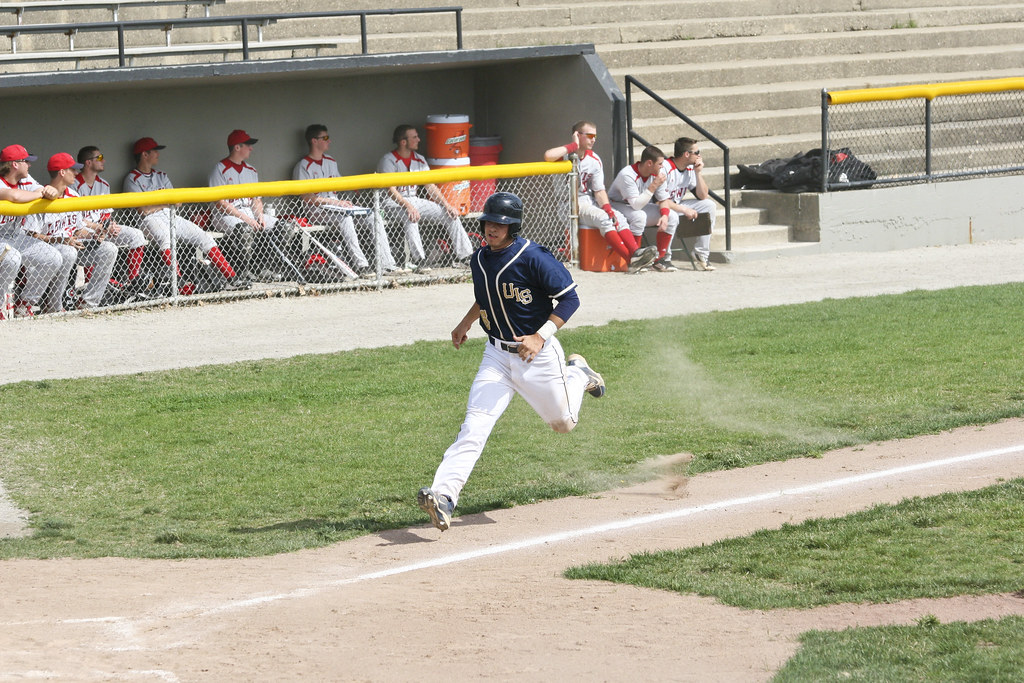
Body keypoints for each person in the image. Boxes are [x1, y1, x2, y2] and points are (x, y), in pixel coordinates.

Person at [417, 191, 605, 532]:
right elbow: (486, 297)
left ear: (513, 227)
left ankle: (578, 374)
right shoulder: (479, 259)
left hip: (537, 356)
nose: (492, 228)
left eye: (500, 224)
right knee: (474, 427)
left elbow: (569, 299)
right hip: (496, 358)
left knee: (563, 424)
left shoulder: (534, 257)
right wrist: (465, 323)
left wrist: (540, 336)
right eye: (489, 222)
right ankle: (444, 497)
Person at [123, 137, 249, 291]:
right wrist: (164, 203)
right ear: (144, 154)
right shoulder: (132, 178)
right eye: (155, 151)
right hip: (148, 220)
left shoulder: (161, 176)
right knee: (165, 238)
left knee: (203, 236)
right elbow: (143, 210)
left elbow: (177, 202)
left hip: (170, 215)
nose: (158, 154)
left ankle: (231, 277)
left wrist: (159, 204)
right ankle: (179, 282)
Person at [543, 120, 657, 274]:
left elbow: (599, 190)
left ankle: (635, 254)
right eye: (589, 135)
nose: (593, 139)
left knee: (617, 217)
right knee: (603, 218)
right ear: (577, 135)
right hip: (567, 204)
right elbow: (548, 155)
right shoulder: (564, 155)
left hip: (588, 201)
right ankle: (631, 260)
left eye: (595, 136)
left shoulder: (594, 159)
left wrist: (608, 209)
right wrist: (573, 145)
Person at [293, 124, 405, 277]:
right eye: (325, 138)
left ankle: (387, 264)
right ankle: (361, 265)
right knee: (345, 218)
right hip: (317, 210)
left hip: (337, 207)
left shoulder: (331, 161)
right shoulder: (303, 166)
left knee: (373, 216)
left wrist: (351, 197)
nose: (329, 141)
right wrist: (336, 203)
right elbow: (306, 197)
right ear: (314, 141)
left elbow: (342, 185)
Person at [377, 124, 473, 272]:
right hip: (390, 204)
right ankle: (420, 260)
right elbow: (391, 191)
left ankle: (466, 256)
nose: (418, 140)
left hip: (413, 199)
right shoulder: (388, 160)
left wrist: (447, 205)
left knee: (450, 214)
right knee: (411, 215)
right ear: (403, 142)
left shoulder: (419, 159)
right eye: (414, 137)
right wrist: (407, 206)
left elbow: (431, 187)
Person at [35, 153, 118, 311]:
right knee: (68, 252)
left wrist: (94, 235)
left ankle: (88, 303)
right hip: (51, 248)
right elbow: (32, 235)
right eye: (72, 169)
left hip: (73, 245)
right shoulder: (40, 198)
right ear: (62, 172)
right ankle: (54, 306)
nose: (76, 172)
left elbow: (78, 229)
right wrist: (61, 240)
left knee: (109, 249)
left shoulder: (73, 195)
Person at [75, 145, 151, 290]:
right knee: (94, 241)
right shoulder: (73, 185)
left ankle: (133, 282)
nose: (103, 160)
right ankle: (96, 284)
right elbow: (76, 221)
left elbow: (106, 214)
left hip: (102, 229)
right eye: (99, 158)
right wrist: (100, 228)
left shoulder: (104, 184)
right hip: (83, 231)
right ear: (88, 162)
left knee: (136, 235)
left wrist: (110, 225)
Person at [0, 144, 63, 318]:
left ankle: (25, 303)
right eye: (26, 161)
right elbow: (14, 196)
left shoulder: (25, 179)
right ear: (15, 164)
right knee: (12, 258)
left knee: (52, 257)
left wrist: (50, 191)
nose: (29, 164)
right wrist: (41, 194)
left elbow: (45, 191)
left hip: (16, 236)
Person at [208, 129, 278, 281]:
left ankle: (262, 267)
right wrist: (247, 219)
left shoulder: (251, 170)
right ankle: (243, 271)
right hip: (225, 215)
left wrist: (259, 215)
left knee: (283, 227)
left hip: (249, 213)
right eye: (248, 145)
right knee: (245, 229)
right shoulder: (220, 169)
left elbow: (256, 199)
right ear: (237, 147)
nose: (251, 148)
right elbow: (220, 203)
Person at [607, 146, 679, 273]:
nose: (662, 166)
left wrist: (664, 216)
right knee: (639, 216)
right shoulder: (627, 174)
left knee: (672, 216)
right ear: (649, 163)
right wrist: (654, 185)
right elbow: (636, 205)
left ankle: (659, 260)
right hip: (616, 205)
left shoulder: (658, 174)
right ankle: (637, 259)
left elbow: (663, 200)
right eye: (660, 164)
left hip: (636, 205)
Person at [663, 137, 717, 271]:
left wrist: (698, 173)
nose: (699, 156)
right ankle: (664, 258)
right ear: (687, 154)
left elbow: (703, 195)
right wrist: (684, 209)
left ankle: (701, 253)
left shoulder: (689, 169)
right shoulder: (665, 168)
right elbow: (660, 200)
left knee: (709, 205)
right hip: (660, 207)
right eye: (697, 152)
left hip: (675, 205)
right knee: (671, 215)